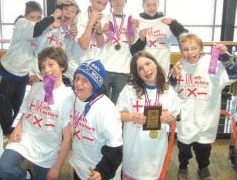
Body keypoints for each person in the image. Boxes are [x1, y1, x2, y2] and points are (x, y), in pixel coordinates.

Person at [0, 47, 74, 180]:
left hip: (47, 149)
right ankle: (26, 175)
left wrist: (56, 168)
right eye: (43, 67)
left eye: (51, 64)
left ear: (62, 66)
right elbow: (27, 111)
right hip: (26, 139)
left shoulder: (69, 97)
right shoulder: (37, 87)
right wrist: (19, 127)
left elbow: (67, 138)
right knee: (4, 168)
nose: (46, 70)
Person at [169, 34, 237, 180]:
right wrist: (173, 77)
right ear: (181, 51)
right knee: (183, 147)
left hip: (207, 115)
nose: (190, 52)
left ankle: (203, 167)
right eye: (185, 49)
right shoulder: (179, 66)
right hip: (186, 116)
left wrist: (224, 56)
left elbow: (233, 73)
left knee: (204, 147)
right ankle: (183, 167)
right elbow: (170, 89)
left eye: (194, 48)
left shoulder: (211, 63)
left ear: (201, 49)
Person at [0, 0, 64, 125]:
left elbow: (38, 49)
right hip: (8, 74)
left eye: (38, 17)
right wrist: (54, 15)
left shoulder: (40, 30)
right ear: (25, 16)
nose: (35, 20)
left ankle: (7, 132)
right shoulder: (22, 23)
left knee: (16, 107)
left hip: (23, 77)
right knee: (0, 108)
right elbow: (38, 28)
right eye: (32, 17)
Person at [116, 51, 180, 180]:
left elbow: (174, 119)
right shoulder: (129, 90)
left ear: (155, 64)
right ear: (137, 73)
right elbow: (117, 114)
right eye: (140, 68)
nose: (146, 69)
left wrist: (170, 119)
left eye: (148, 63)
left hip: (156, 149)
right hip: (134, 149)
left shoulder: (169, 91)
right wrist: (131, 117)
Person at [69, 59, 123, 180]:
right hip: (79, 166)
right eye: (76, 78)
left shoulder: (107, 110)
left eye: (85, 80)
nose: (78, 83)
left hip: (98, 172)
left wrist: (102, 171)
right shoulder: (74, 98)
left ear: (95, 84)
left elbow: (116, 148)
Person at [130, 0, 188, 76]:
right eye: (148, 5)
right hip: (145, 67)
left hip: (162, 65)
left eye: (154, 4)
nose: (152, 8)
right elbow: (133, 51)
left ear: (158, 4)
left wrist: (173, 23)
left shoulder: (167, 21)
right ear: (143, 5)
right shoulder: (138, 23)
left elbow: (186, 37)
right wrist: (141, 40)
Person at [101, 0, 142, 104]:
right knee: (103, 102)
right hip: (105, 66)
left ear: (125, 1)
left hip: (123, 69)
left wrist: (133, 30)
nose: (118, 2)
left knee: (118, 103)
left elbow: (131, 45)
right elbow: (100, 43)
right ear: (110, 2)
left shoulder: (131, 20)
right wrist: (105, 32)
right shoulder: (105, 18)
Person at [34, 0, 81, 82]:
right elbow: (36, 43)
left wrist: (74, 37)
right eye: (66, 9)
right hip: (43, 70)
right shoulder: (50, 23)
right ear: (60, 11)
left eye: (73, 11)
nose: (69, 13)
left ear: (75, 15)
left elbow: (70, 56)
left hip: (62, 71)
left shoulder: (73, 31)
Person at [74, 0, 110, 65]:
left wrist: (99, 31)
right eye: (98, 2)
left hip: (95, 64)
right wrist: (91, 21)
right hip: (79, 63)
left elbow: (100, 45)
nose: (101, 7)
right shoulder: (80, 16)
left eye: (104, 4)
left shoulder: (105, 18)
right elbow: (83, 45)